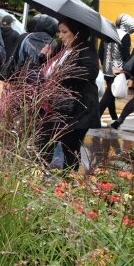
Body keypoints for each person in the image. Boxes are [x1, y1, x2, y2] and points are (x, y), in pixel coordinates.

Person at [35, 19, 100, 170]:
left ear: (77, 33)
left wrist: (65, 72)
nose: (60, 36)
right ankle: (38, 180)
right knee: (43, 145)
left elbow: (91, 71)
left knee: (70, 151)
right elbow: (48, 71)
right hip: (54, 107)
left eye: (65, 32)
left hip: (76, 111)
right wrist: (44, 57)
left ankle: (67, 186)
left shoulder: (86, 49)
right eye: (59, 31)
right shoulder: (62, 49)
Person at [98, 13, 134, 124]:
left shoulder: (108, 32)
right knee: (108, 95)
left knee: (111, 94)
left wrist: (105, 64)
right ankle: (96, 118)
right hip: (118, 70)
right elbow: (125, 55)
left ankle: (114, 117)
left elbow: (101, 52)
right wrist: (126, 69)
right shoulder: (125, 36)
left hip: (107, 68)